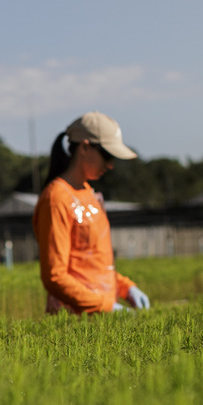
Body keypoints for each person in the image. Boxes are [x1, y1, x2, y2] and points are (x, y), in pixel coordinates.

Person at [32, 111, 150, 315]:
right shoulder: (56, 198)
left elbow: (94, 264)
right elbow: (55, 276)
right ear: (85, 148)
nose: (110, 165)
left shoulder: (90, 194)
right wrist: (105, 307)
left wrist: (125, 287)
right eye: (107, 155)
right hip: (74, 325)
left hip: (101, 319)